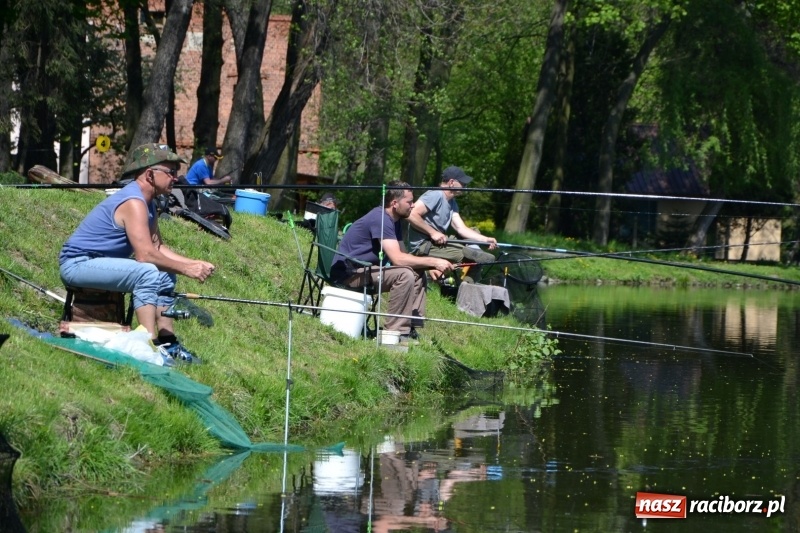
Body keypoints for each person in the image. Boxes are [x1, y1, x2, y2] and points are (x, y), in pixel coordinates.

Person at [59, 143, 216, 364]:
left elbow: (157, 248)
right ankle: (147, 345)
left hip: (98, 262)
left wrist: (193, 262)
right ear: (150, 174)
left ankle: (167, 342)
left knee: (164, 273)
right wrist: (188, 269)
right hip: (78, 264)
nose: (175, 178)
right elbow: (145, 256)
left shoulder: (147, 203)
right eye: (171, 172)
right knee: (148, 272)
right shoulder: (133, 202)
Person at [330, 180, 453, 342]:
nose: (413, 206)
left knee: (416, 272)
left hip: (365, 270)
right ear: (395, 203)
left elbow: (403, 254)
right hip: (349, 273)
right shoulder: (380, 218)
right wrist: (435, 261)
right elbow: (398, 259)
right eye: (409, 202)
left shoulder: (394, 221)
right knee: (404, 275)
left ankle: (409, 328)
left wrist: (428, 266)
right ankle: (393, 333)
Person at [407, 166, 497, 283]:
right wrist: (433, 233)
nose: (465, 186)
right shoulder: (436, 195)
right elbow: (411, 214)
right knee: (470, 259)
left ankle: (474, 252)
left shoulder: (452, 202)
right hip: (423, 246)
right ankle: (471, 254)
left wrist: (486, 239)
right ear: (451, 182)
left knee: (474, 231)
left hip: (438, 243)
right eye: (462, 182)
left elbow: (461, 228)